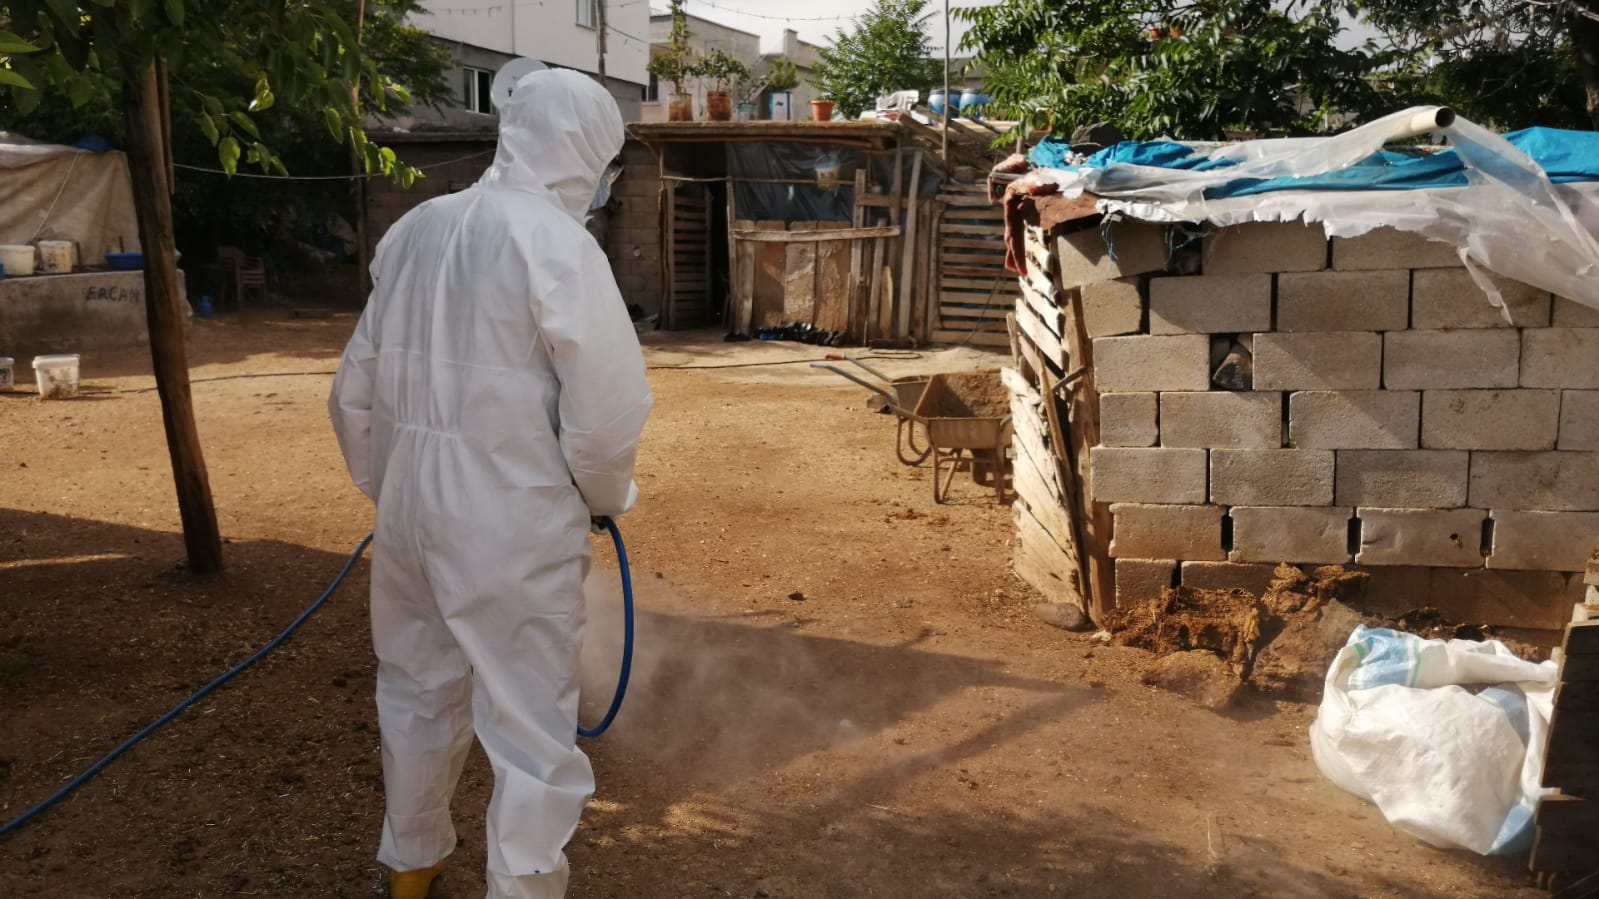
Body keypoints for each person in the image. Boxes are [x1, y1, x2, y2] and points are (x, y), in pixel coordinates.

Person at [327, 69, 653, 899]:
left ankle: (412, 868)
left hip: (408, 514)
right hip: (511, 519)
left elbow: (353, 389)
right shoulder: (557, 244)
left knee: (414, 690)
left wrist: (393, 487)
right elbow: (606, 411)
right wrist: (602, 496)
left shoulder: (416, 228)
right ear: (584, 150)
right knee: (529, 724)